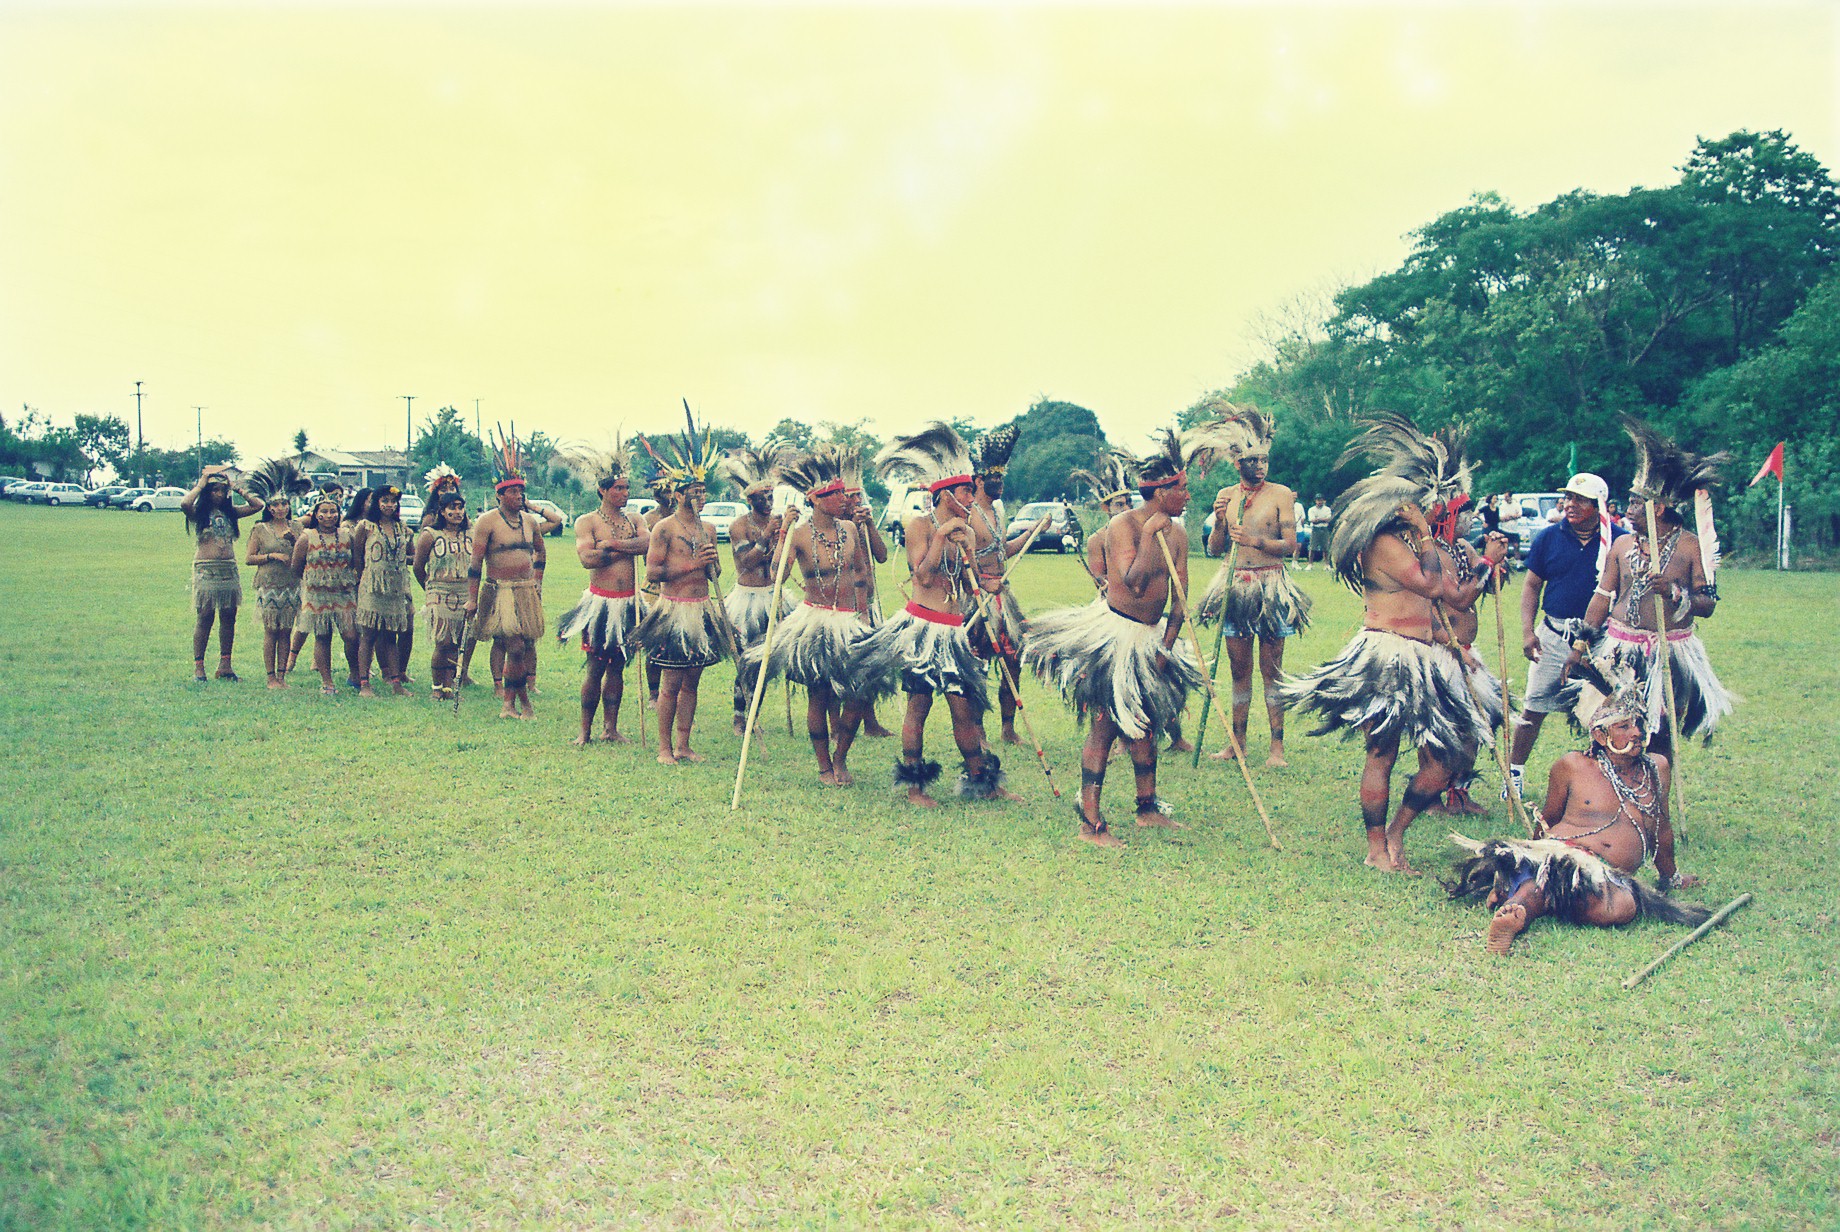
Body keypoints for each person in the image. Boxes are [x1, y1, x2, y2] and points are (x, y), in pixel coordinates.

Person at [1279, 414, 1492, 875]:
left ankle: (1397, 831)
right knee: (1382, 753)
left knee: (1449, 757)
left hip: (1425, 658)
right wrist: (1422, 535)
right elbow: (1431, 586)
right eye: (1434, 507)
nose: (1441, 515)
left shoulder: (1419, 541)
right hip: (1387, 656)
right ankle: (1378, 849)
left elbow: (1446, 598)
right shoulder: (1384, 544)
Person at [1026, 425, 1211, 846]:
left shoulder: (1180, 534)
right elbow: (1134, 581)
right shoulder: (1124, 527)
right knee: (1105, 725)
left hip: (1153, 636)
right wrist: (1149, 535)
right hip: (1117, 637)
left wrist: (1168, 644)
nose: (1188, 496)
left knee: (1145, 722)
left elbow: (1180, 594)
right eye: (1181, 489)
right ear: (1161, 493)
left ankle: (1147, 807)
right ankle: (1089, 820)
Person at [1445, 672, 1709, 955]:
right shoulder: (1572, 766)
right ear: (1600, 734)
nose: (1636, 733)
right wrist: (1516, 864)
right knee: (1544, 878)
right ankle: (1516, 912)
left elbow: (1661, 829)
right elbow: (1547, 821)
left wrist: (1671, 877)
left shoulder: (1656, 768)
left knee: (1620, 908)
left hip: (1608, 874)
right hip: (1560, 851)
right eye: (1623, 726)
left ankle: (1540, 901)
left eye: (1639, 724)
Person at [852, 423, 1021, 807]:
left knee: (965, 708)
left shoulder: (968, 529)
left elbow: (966, 583)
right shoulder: (919, 527)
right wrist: (944, 535)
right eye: (965, 491)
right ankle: (915, 787)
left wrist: (983, 581)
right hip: (923, 629)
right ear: (946, 494)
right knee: (919, 706)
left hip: (954, 631)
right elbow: (923, 574)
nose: (970, 497)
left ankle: (983, 780)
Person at [1565, 418, 1733, 756]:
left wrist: (1675, 594)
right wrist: (1580, 644)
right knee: (1610, 730)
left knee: (1657, 738)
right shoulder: (1622, 544)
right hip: (1618, 650)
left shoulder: (1689, 547)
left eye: (1634, 504)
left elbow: (1707, 604)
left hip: (1668, 654)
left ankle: (1654, 803)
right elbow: (1602, 597)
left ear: (1657, 507)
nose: (1627, 511)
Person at [751, 445, 875, 785]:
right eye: (835, 494)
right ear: (816, 499)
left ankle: (841, 757)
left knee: (858, 694)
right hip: (816, 620)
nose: (842, 499)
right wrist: (783, 535)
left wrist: (863, 616)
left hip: (851, 621)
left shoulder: (850, 529)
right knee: (819, 694)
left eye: (842, 494)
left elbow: (862, 574)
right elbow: (777, 575)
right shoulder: (801, 534)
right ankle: (823, 766)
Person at [1197, 406, 1311, 767]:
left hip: (1270, 585)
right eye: (1253, 461)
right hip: (1235, 586)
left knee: (1272, 670)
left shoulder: (1281, 494)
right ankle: (1237, 742)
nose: (1260, 466)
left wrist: (1259, 542)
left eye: (1264, 459)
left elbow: (1292, 545)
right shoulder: (1226, 495)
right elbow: (1215, 549)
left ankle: (1277, 748)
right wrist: (1218, 523)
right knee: (1239, 671)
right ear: (1238, 463)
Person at [1505, 473, 1625, 801]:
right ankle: (1513, 774)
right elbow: (1531, 585)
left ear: (1598, 505)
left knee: (1607, 713)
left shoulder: (1619, 540)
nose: (1569, 505)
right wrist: (1529, 632)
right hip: (1554, 634)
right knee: (1533, 709)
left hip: (1601, 641)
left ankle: (1606, 780)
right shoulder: (1548, 537)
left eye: (1579, 499)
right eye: (1568, 498)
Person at [636, 423, 734, 764]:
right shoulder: (664, 528)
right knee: (671, 683)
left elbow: (715, 572)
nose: (702, 498)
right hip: (674, 610)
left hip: (701, 608)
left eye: (704, 491)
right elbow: (653, 574)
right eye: (695, 491)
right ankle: (664, 748)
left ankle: (683, 745)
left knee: (693, 682)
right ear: (678, 494)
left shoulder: (707, 528)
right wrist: (694, 565)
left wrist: (711, 566)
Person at [1422, 492, 1512, 814]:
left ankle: (1459, 793)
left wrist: (1498, 558)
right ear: (1449, 517)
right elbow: (1459, 599)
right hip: (1441, 650)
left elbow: (1487, 583)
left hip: (1467, 652)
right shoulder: (1431, 552)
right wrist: (1455, 648)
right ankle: (1430, 796)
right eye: (1466, 514)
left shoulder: (1462, 549)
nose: (1472, 520)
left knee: (1477, 722)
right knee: (1440, 726)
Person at [556, 463, 651, 744]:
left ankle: (610, 728)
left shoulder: (635, 519)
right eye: (618, 488)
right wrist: (620, 548)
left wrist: (610, 545)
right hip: (600, 603)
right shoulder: (587, 521)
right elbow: (587, 560)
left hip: (630, 603)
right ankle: (584, 732)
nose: (624, 493)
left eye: (626, 488)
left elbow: (646, 544)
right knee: (595, 667)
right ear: (603, 490)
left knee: (618, 667)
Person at [963, 426, 1041, 747]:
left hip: (1002, 600)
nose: (1002, 485)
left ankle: (1008, 729)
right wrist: (983, 583)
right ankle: (977, 730)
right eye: (996, 479)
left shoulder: (997, 511)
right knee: (976, 666)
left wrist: (1031, 534)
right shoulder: (967, 514)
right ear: (980, 481)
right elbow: (961, 563)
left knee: (1013, 660)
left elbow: (1001, 550)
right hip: (976, 601)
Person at [715, 443, 795, 735]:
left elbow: (783, 566)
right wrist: (768, 535)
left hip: (774, 596)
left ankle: (753, 715)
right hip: (748, 600)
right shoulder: (739, 527)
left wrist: (785, 531)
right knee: (748, 660)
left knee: (768, 660)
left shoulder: (779, 524)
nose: (769, 500)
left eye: (772, 495)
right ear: (751, 500)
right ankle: (740, 716)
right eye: (764, 496)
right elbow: (746, 563)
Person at [466, 436, 546, 720]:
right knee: (513, 646)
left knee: (522, 647)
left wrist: (536, 582)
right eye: (512, 492)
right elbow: (475, 563)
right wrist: (471, 600)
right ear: (500, 495)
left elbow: (541, 554)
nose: (518, 497)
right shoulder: (486, 522)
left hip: (525, 591)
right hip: (498, 591)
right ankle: (520, 704)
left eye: (521, 492)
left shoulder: (530, 521)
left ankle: (511, 704)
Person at [181, 467, 262, 682]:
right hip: (206, 569)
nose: (219, 494)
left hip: (228, 569)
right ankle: (199, 667)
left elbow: (258, 505)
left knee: (229, 616)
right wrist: (201, 484)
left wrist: (236, 487)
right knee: (205, 615)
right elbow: (184, 504)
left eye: (222, 490)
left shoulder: (231, 512)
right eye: (215, 490)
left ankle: (225, 664)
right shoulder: (200, 513)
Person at [841, 462, 896, 739]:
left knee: (871, 667)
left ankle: (870, 722)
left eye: (858, 496)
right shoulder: (838, 528)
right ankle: (837, 726)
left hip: (869, 604)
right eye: (850, 496)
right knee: (845, 669)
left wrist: (870, 525)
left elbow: (882, 555)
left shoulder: (862, 525)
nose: (855, 501)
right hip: (846, 608)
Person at [244, 462, 307, 688]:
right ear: (270, 508)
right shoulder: (260, 529)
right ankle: (271, 677)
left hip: (291, 584)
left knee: (286, 630)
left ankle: (282, 675)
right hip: (270, 585)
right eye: (276, 505)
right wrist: (271, 556)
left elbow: (306, 551)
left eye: (284, 504)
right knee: (271, 630)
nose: (281, 508)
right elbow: (249, 558)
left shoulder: (298, 527)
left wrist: (293, 541)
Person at [290, 495, 360, 696]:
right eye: (324, 512)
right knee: (322, 636)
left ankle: (355, 674)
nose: (329, 516)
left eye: (333, 512)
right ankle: (327, 681)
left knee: (351, 636)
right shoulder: (307, 537)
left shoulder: (348, 535)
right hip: (317, 595)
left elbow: (356, 562)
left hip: (344, 593)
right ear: (316, 515)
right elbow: (296, 567)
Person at [351, 486, 416, 696]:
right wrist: (362, 579)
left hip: (395, 589)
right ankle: (364, 684)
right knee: (368, 635)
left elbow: (411, 555)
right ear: (376, 503)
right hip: (372, 587)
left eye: (393, 501)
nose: (389, 505)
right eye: (385, 501)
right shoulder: (365, 526)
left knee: (391, 636)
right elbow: (358, 556)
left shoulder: (402, 528)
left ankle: (396, 683)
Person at [413, 489, 473, 701]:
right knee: (443, 641)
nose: (457, 512)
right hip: (438, 591)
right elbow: (418, 567)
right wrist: (430, 589)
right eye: (452, 508)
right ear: (442, 511)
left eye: (460, 507)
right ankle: (436, 687)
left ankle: (449, 687)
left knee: (457, 643)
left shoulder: (470, 534)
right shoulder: (430, 535)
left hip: (463, 592)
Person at [638, 467, 679, 709]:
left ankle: (674, 689)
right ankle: (654, 693)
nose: (667, 496)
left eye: (670, 490)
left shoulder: (684, 518)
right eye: (662, 492)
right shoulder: (649, 520)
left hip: (679, 588)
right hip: (654, 589)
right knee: (654, 643)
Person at [1306, 494, 1332, 567]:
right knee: (1312, 547)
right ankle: (1310, 564)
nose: (1319, 502)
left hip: (1324, 529)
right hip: (1315, 529)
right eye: (1318, 500)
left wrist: (1318, 519)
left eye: (1321, 500)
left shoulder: (1327, 509)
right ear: (1315, 501)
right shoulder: (1311, 509)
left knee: (1326, 547)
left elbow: (1328, 519)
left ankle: (1327, 564)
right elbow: (1312, 520)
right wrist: (1322, 519)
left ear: (1323, 500)